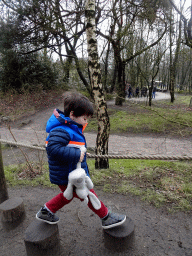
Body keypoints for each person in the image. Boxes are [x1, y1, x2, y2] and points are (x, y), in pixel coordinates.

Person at [36, 91, 126, 229]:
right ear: (72, 114)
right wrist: (76, 155)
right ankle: (106, 217)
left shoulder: (71, 127)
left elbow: (72, 145)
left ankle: (46, 211)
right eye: (84, 118)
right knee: (88, 194)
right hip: (66, 175)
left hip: (71, 172)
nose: (86, 121)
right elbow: (52, 149)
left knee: (69, 196)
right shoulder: (61, 130)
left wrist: (81, 153)